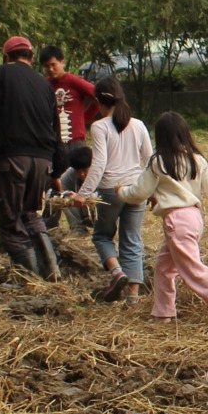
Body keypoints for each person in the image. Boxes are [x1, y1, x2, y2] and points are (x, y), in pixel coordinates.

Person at [118, 112, 208, 325]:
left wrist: (121, 192)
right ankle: (163, 314)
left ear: (160, 137)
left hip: (176, 222)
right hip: (194, 219)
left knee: (193, 270)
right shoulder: (196, 159)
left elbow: (139, 192)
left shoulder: (159, 162)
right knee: (164, 267)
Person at [0, 35, 68, 278]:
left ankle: (30, 277)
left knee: (10, 220)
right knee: (29, 213)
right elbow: (56, 129)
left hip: (11, 159)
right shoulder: (44, 85)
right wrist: (57, 170)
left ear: (6, 57)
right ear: (30, 57)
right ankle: (51, 270)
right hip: (41, 162)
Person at [71, 76, 153, 305]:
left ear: (98, 102)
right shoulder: (139, 125)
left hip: (110, 191)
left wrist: (83, 193)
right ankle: (133, 297)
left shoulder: (99, 126)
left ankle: (117, 272)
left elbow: (98, 164)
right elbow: (150, 161)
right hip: (136, 189)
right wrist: (153, 191)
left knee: (101, 235)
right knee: (132, 239)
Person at [39, 45, 98, 153]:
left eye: (53, 64)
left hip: (75, 140)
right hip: (53, 140)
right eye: (47, 66)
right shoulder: (44, 84)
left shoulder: (74, 81)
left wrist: (85, 117)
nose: (51, 69)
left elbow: (98, 96)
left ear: (62, 62)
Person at [46, 145, 93, 236]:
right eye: (78, 171)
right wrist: (62, 194)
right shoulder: (71, 172)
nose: (82, 174)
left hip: (99, 215)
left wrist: (82, 197)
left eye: (85, 170)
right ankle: (78, 230)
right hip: (80, 213)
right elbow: (55, 191)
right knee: (63, 197)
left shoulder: (100, 172)